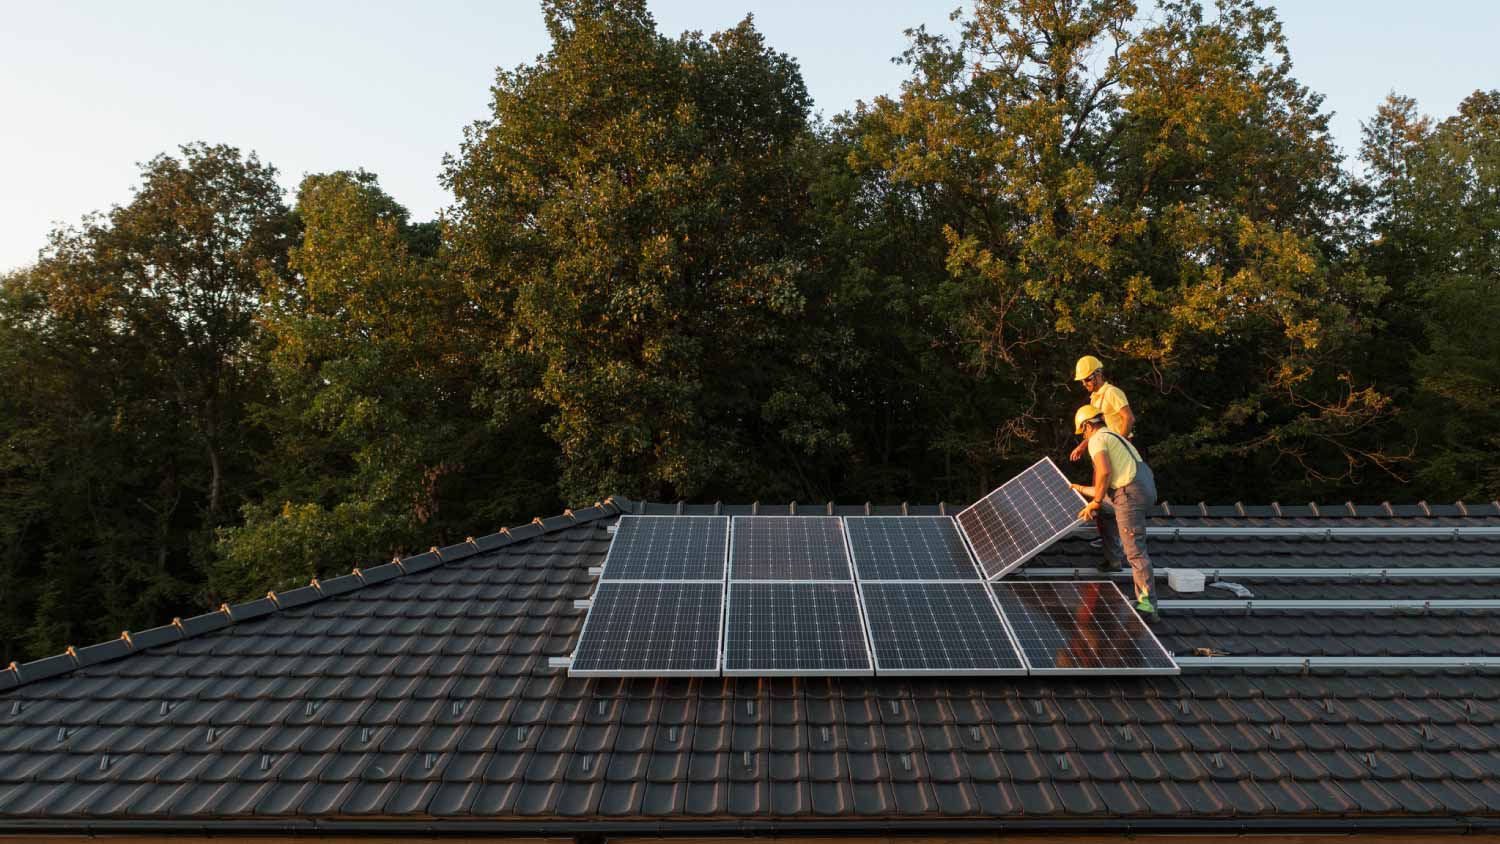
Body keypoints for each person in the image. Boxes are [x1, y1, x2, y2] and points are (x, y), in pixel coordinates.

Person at [1069, 404, 1160, 623]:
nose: (1085, 436)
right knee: (1105, 511)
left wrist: (1096, 501)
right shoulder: (1114, 436)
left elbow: (1105, 472)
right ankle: (1112, 560)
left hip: (1129, 495)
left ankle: (1148, 606)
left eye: (1084, 431)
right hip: (1138, 488)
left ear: (1089, 425)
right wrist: (1081, 489)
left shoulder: (1098, 439)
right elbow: (1108, 484)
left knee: (1135, 552)